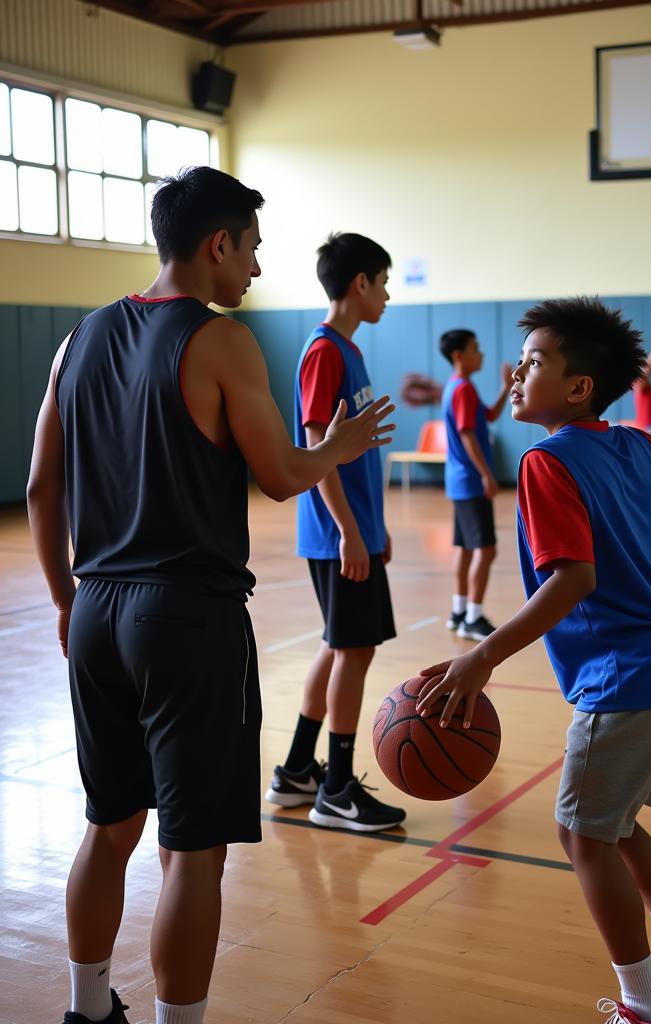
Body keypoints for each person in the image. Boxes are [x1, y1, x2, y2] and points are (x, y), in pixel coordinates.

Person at [26, 167, 393, 1024]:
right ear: (217, 243)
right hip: (186, 617)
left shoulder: (76, 337)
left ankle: (88, 1011)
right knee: (194, 851)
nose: (257, 269)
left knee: (107, 829)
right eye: (254, 249)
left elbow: (44, 488)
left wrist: (61, 602)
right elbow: (277, 476)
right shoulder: (222, 340)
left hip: (96, 611)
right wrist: (335, 447)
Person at [416, 298, 651, 1024]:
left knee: (580, 833)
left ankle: (643, 1004)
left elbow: (574, 581)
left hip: (630, 677)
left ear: (577, 388)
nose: (517, 371)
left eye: (535, 361)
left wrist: (481, 657)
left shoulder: (545, 461)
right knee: (614, 822)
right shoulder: (629, 446)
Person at [264, 232, 407, 833]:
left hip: (354, 530)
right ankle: (338, 789)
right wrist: (350, 531)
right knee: (355, 648)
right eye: (384, 282)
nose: (388, 295)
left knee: (337, 642)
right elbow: (318, 446)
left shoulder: (349, 351)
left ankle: (299, 769)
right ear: (360, 284)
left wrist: (372, 529)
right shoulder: (325, 352)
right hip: (335, 531)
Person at [438, 329, 513, 639]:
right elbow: (468, 435)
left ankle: (458, 612)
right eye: (475, 348)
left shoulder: (457, 388)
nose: (480, 353)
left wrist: (506, 388)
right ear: (459, 355)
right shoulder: (463, 389)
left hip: (458, 480)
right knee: (486, 549)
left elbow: (490, 416)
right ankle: (474, 617)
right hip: (470, 481)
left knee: (466, 548)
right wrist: (486, 473)